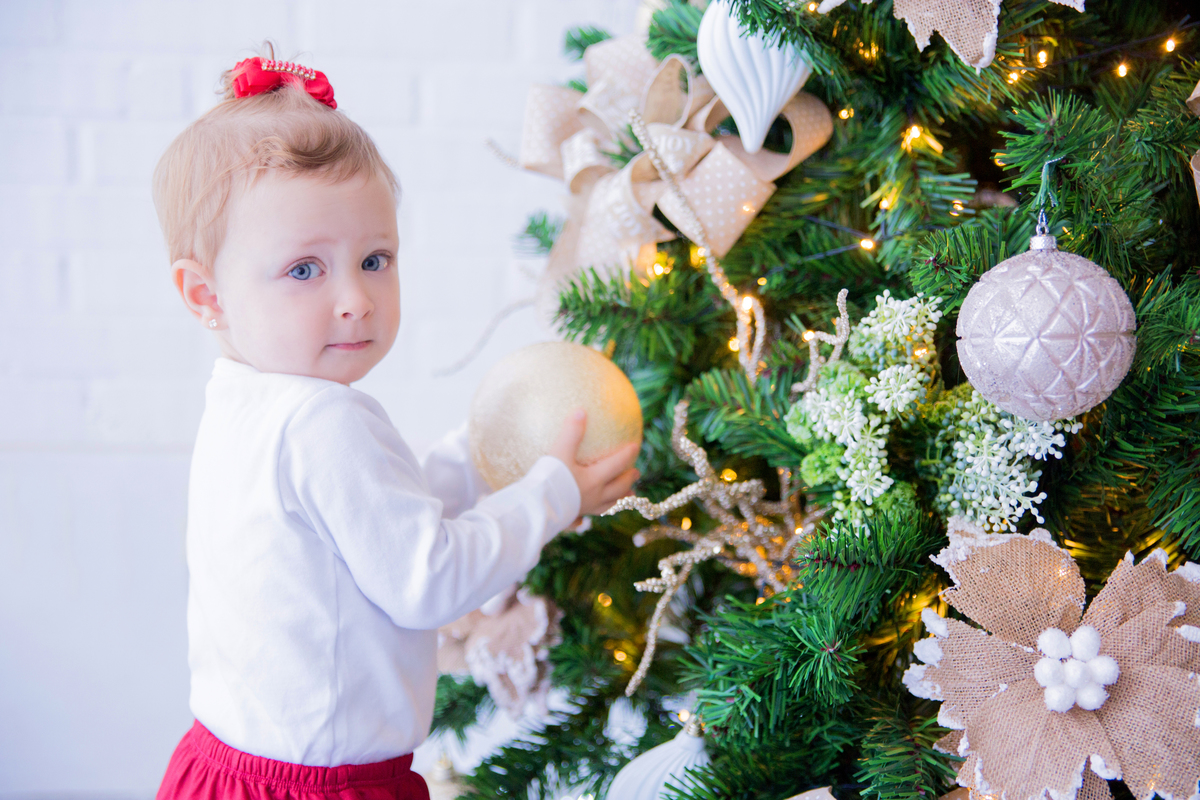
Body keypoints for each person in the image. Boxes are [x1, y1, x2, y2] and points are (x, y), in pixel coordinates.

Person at [151, 48, 640, 799]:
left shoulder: (244, 401)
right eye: (305, 269)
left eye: (375, 259)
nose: (356, 298)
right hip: (323, 787)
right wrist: (552, 494)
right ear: (204, 293)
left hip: (221, 767)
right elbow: (428, 579)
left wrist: (478, 455)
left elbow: (370, 527)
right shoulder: (321, 420)